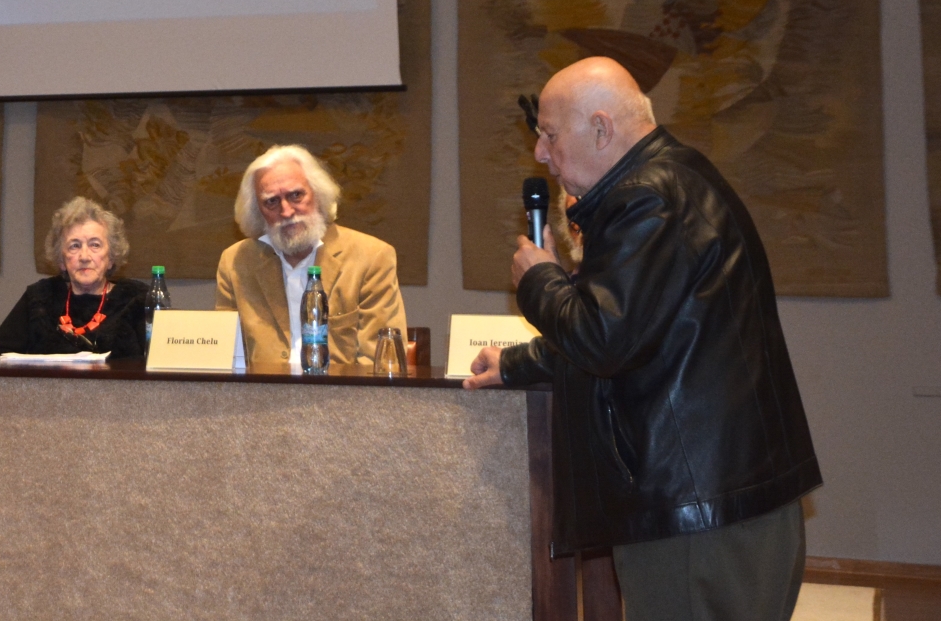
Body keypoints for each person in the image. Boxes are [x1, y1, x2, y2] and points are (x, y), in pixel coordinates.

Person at [464, 57, 820, 621]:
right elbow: (641, 333)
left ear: (601, 129)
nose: (539, 153)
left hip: (695, 513)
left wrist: (540, 281)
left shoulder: (647, 199)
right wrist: (517, 364)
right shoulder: (676, 178)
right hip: (716, 500)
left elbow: (604, 340)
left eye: (550, 135)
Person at [215, 144, 406, 368]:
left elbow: (380, 360)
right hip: (263, 390)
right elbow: (225, 357)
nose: (286, 211)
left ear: (318, 194)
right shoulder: (236, 263)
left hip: (341, 389)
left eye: (296, 195)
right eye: (271, 201)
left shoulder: (371, 257)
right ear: (257, 211)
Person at [0, 197, 147, 359]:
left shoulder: (136, 299)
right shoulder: (40, 297)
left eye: (95, 245)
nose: (84, 257)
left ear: (111, 257)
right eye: (74, 246)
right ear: (62, 260)